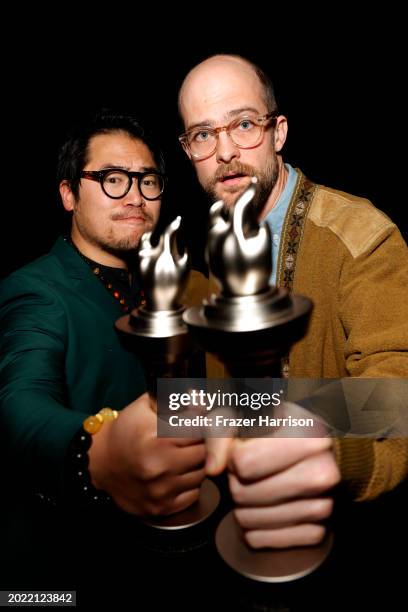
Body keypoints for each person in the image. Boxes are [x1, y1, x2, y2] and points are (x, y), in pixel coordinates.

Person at [178, 54, 408, 548]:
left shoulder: (362, 237)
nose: (224, 152)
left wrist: (304, 434)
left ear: (279, 133)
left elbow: (397, 401)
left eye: (243, 125)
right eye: (202, 134)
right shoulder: (213, 249)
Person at [0, 110, 209, 588]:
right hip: (60, 577)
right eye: (113, 178)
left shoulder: (170, 285)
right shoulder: (37, 291)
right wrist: (95, 450)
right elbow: (18, 401)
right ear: (68, 193)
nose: (135, 196)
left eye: (148, 180)